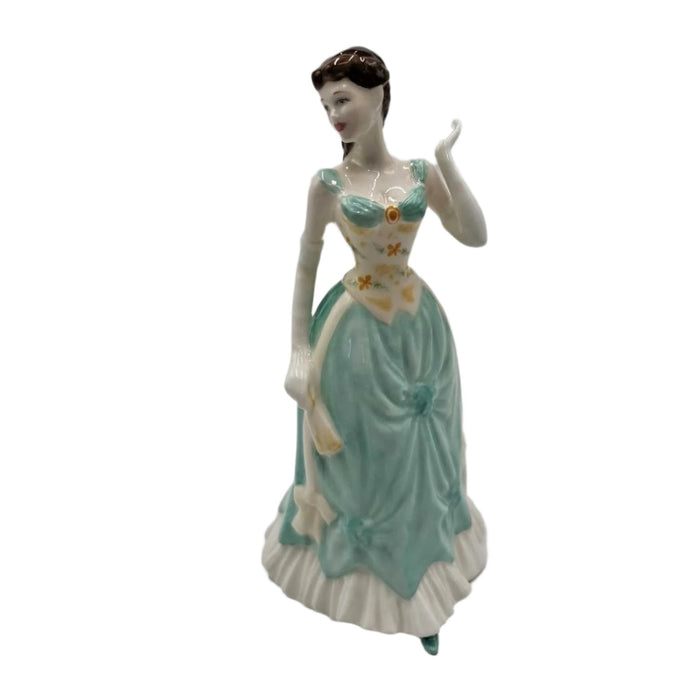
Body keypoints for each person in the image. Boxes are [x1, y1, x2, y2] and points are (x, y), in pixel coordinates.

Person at [262, 47, 488, 655]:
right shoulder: (328, 184)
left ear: (378, 93)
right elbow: (306, 265)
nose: (333, 114)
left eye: (342, 99)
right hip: (355, 333)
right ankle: (381, 578)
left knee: (423, 454)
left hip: (419, 329)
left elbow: (474, 235)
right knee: (372, 456)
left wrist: (447, 164)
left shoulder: (418, 172)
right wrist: (299, 351)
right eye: (325, 105)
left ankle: (423, 572)